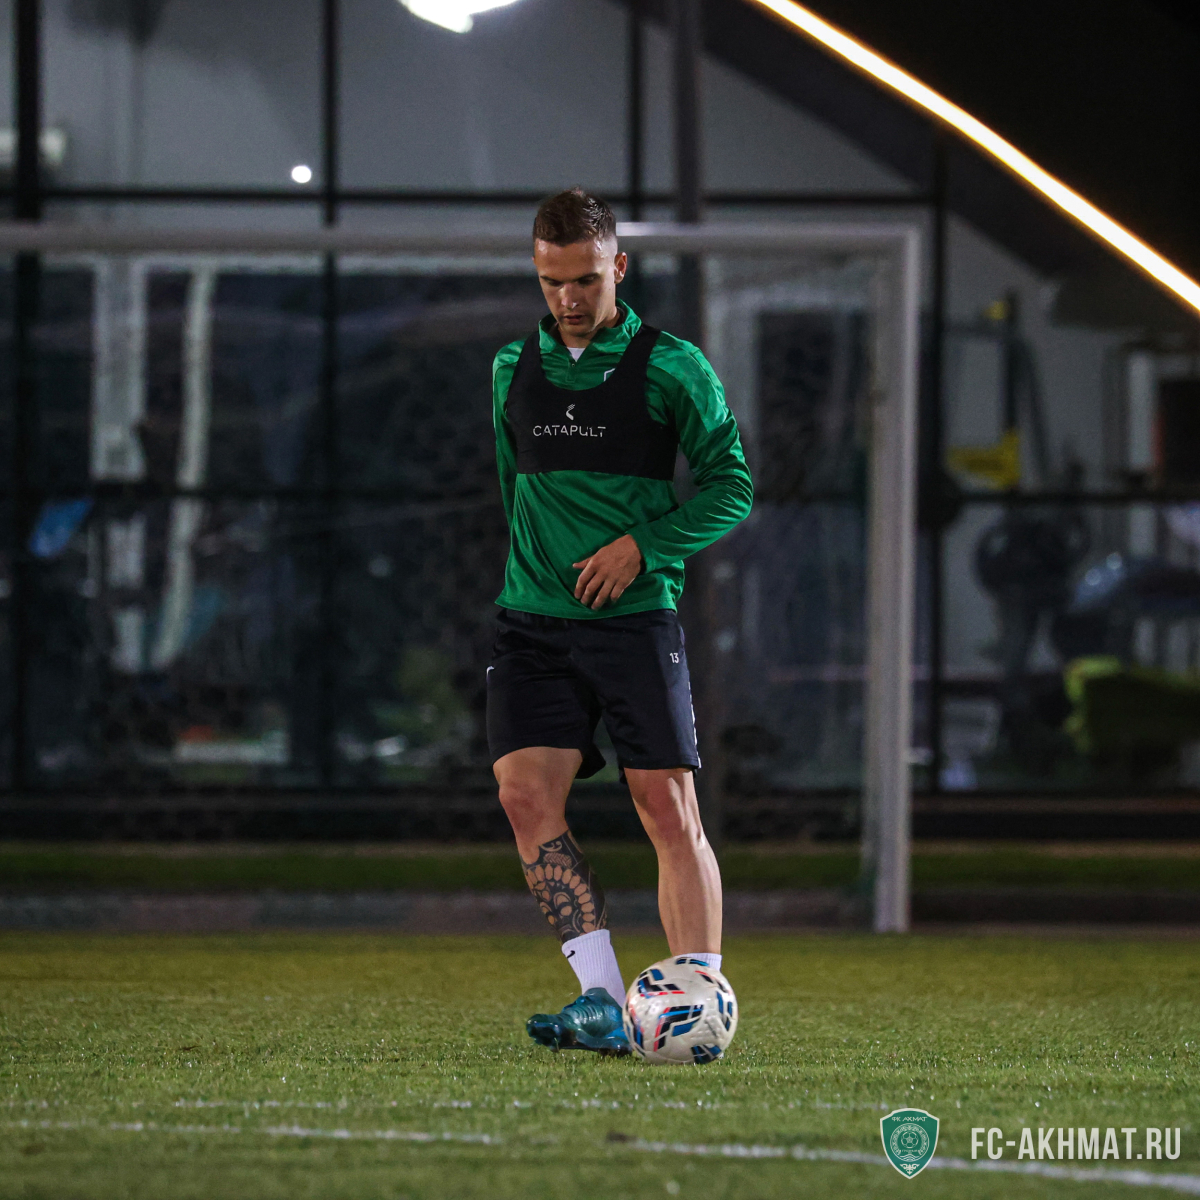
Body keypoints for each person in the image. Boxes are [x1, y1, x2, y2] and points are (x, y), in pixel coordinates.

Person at [488, 188, 753, 1055]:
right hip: (532, 622)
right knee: (524, 796)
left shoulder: (673, 366)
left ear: (620, 268)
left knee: (665, 806)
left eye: (586, 280)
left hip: (635, 620)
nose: (569, 298)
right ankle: (601, 1001)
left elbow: (732, 487)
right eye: (552, 281)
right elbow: (514, 488)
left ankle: (698, 1000)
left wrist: (644, 545)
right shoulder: (510, 368)